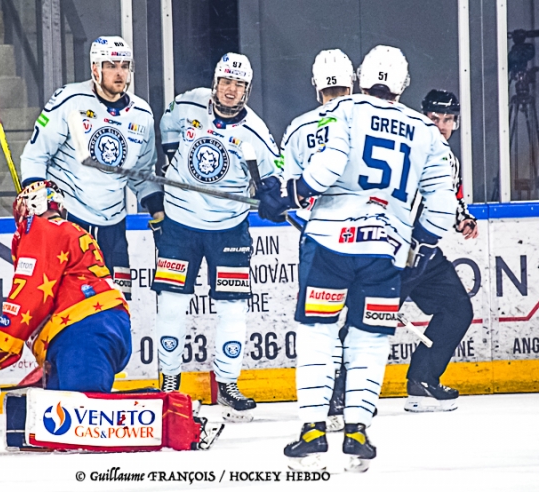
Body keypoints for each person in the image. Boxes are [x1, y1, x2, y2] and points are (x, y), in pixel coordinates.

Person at [257, 45, 457, 471]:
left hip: (329, 245)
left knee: (318, 334)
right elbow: (442, 203)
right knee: (369, 341)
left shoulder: (346, 111)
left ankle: (312, 429)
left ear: (362, 76)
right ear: (403, 85)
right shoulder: (426, 131)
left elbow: (329, 166)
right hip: (384, 252)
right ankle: (357, 431)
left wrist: (290, 194)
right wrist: (419, 247)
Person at [153, 52, 281, 421]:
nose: (230, 89)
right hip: (180, 224)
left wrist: (271, 199)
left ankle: (227, 384)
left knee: (232, 308)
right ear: (215, 81)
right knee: (172, 304)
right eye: (226, 81)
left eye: (238, 84)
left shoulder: (255, 132)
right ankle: (170, 381)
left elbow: (271, 180)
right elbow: (167, 133)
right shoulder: (187, 104)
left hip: (229, 229)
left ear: (247, 90)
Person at [19, 36, 164, 300]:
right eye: (111, 65)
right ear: (95, 68)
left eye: (124, 65)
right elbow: (34, 156)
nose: (119, 73)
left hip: (112, 226)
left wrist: (159, 211)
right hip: (67, 220)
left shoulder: (142, 114)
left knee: (115, 305)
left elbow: (142, 176)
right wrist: (43, 205)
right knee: (63, 303)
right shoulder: (69, 99)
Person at [0, 180, 131, 395]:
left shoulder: (40, 229)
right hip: (101, 326)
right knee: (66, 415)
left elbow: (30, 294)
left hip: (82, 332)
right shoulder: (72, 231)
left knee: (80, 419)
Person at [277, 48, 355, 433]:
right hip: (366, 239)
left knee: (321, 325)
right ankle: (348, 398)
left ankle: (328, 399)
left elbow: (285, 190)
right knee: (355, 323)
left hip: (320, 241)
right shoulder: (370, 121)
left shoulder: (298, 127)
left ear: (315, 87)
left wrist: (297, 218)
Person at [401, 89, 477, 412]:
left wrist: (463, 219)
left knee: (458, 309)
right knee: (369, 321)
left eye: (448, 119)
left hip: (426, 253)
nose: (442, 126)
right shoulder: (407, 148)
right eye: (435, 118)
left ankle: (422, 381)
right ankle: (338, 394)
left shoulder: (449, 159)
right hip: (395, 252)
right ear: (423, 117)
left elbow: (451, 199)